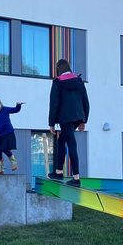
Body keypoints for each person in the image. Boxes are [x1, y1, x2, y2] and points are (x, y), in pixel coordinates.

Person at [48, 59, 89, 187]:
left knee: (71, 144)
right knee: (62, 142)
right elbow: (86, 101)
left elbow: (54, 104)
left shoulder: (57, 82)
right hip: (77, 117)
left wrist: (51, 123)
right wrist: (83, 120)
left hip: (65, 118)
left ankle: (76, 178)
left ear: (58, 68)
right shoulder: (78, 81)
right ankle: (58, 171)